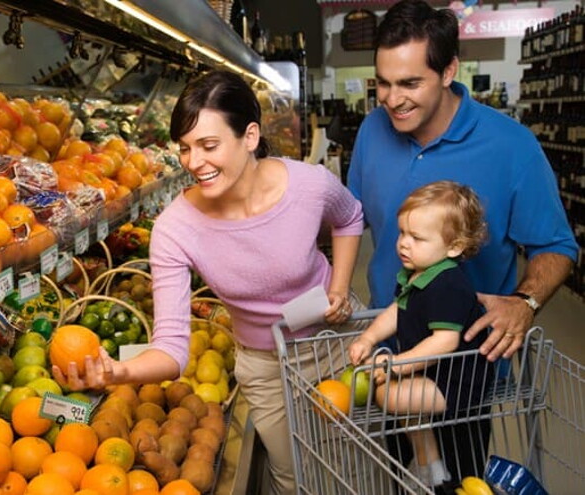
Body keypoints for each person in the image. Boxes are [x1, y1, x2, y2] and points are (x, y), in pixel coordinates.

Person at [53, 69, 365, 494]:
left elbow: (349, 218)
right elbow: (172, 348)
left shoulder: (308, 185)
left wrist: (340, 288)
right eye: (184, 148)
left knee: (355, 461)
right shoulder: (175, 229)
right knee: (295, 478)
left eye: (209, 145)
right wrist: (117, 371)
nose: (193, 163)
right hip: (266, 364)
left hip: (337, 341)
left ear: (250, 136)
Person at [347, 0, 577, 364]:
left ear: (449, 71)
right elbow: (350, 217)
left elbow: (556, 247)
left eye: (409, 83)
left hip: (466, 363)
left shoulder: (511, 145)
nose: (392, 100)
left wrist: (525, 302)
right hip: (385, 344)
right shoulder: (371, 130)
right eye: (383, 83)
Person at [349, 180, 493, 488]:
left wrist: (395, 364)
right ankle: (430, 463)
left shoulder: (449, 285)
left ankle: (430, 465)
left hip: (458, 380)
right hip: (433, 373)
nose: (403, 243)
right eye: (402, 232)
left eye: (416, 237)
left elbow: (445, 341)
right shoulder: (417, 273)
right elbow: (396, 312)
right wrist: (369, 338)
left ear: (454, 247)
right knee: (392, 390)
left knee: (390, 393)